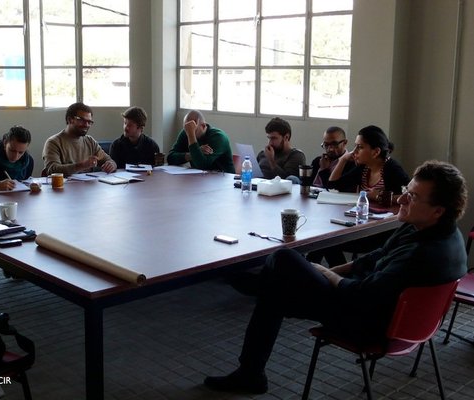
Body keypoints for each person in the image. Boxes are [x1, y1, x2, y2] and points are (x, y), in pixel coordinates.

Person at [204, 160, 468, 394]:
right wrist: (332, 272)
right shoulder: (440, 233)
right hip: (402, 320)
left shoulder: (421, 253)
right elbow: (372, 258)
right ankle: (251, 367)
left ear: (438, 210)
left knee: (282, 258)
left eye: (412, 197)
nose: (401, 199)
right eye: (406, 191)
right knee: (275, 291)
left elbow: (360, 294)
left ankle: (250, 364)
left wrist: (325, 274)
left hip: (369, 323)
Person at [328, 125, 409, 199]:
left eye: (360, 147)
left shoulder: (392, 169)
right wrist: (343, 160)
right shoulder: (364, 167)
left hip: (388, 214)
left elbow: (410, 196)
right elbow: (333, 186)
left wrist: (379, 196)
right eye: (355, 146)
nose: (354, 151)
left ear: (376, 152)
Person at [42, 102, 117, 176]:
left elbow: (108, 160)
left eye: (89, 122)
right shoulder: (53, 142)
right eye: (82, 120)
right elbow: (52, 170)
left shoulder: (90, 141)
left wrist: (111, 165)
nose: (86, 125)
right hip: (63, 186)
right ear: (70, 119)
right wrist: (82, 165)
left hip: (87, 186)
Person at [167, 110, 235, 173]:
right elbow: (170, 158)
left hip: (224, 179)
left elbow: (202, 165)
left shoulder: (219, 137)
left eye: (193, 129)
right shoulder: (186, 132)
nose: (189, 131)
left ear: (203, 126)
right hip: (199, 179)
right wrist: (192, 154)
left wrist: (191, 135)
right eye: (187, 128)